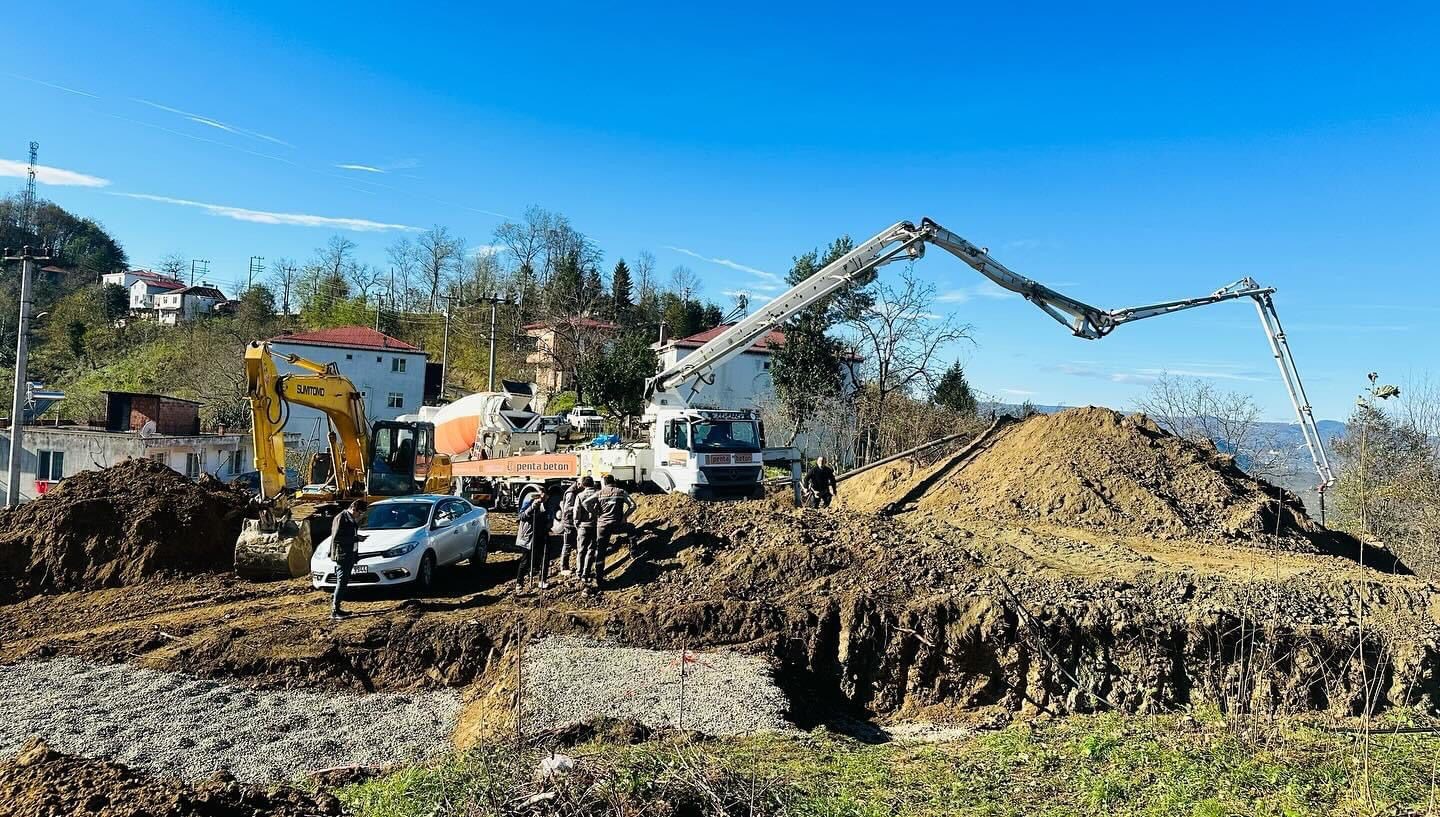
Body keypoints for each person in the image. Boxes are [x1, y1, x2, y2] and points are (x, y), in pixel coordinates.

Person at [585, 474, 637, 590]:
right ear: (614, 482)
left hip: (602, 526)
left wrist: (595, 513)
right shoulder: (621, 492)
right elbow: (633, 505)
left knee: (601, 551)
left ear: (604, 482)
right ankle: (633, 552)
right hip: (617, 525)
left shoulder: (600, 493)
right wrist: (624, 516)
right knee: (631, 528)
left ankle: (599, 579)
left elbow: (586, 503)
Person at [329, 499, 367, 619]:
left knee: (344, 581)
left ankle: (337, 608)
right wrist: (356, 539)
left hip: (349, 554)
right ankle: (335, 610)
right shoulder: (341, 518)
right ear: (354, 509)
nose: (359, 516)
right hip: (342, 555)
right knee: (342, 581)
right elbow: (337, 538)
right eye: (359, 513)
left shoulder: (349, 518)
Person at [516, 485, 556, 588]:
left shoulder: (548, 502)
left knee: (544, 557)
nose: (543, 497)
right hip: (529, 534)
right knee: (526, 559)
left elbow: (550, 515)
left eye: (544, 496)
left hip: (542, 533)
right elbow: (521, 516)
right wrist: (532, 507)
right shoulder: (529, 500)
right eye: (541, 495)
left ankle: (542, 580)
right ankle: (519, 583)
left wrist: (550, 523)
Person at [572, 476, 601, 584]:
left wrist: (577, 523)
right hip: (594, 525)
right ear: (593, 483)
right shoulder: (599, 494)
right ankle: (586, 572)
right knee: (591, 550)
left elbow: (576, 512)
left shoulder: (580, 495)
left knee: (581, 550)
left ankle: (579, 572)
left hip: (583, 526)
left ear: (583, 485)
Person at [557, 479, 583, 575]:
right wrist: (579, 506)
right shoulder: (571, 493)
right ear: (579, 484)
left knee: (576, 545)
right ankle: (564, 567)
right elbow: (567, 509)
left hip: (573, 521)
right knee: (567, 544)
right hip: (569, 522)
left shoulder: (576, 490)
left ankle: (579, 566)